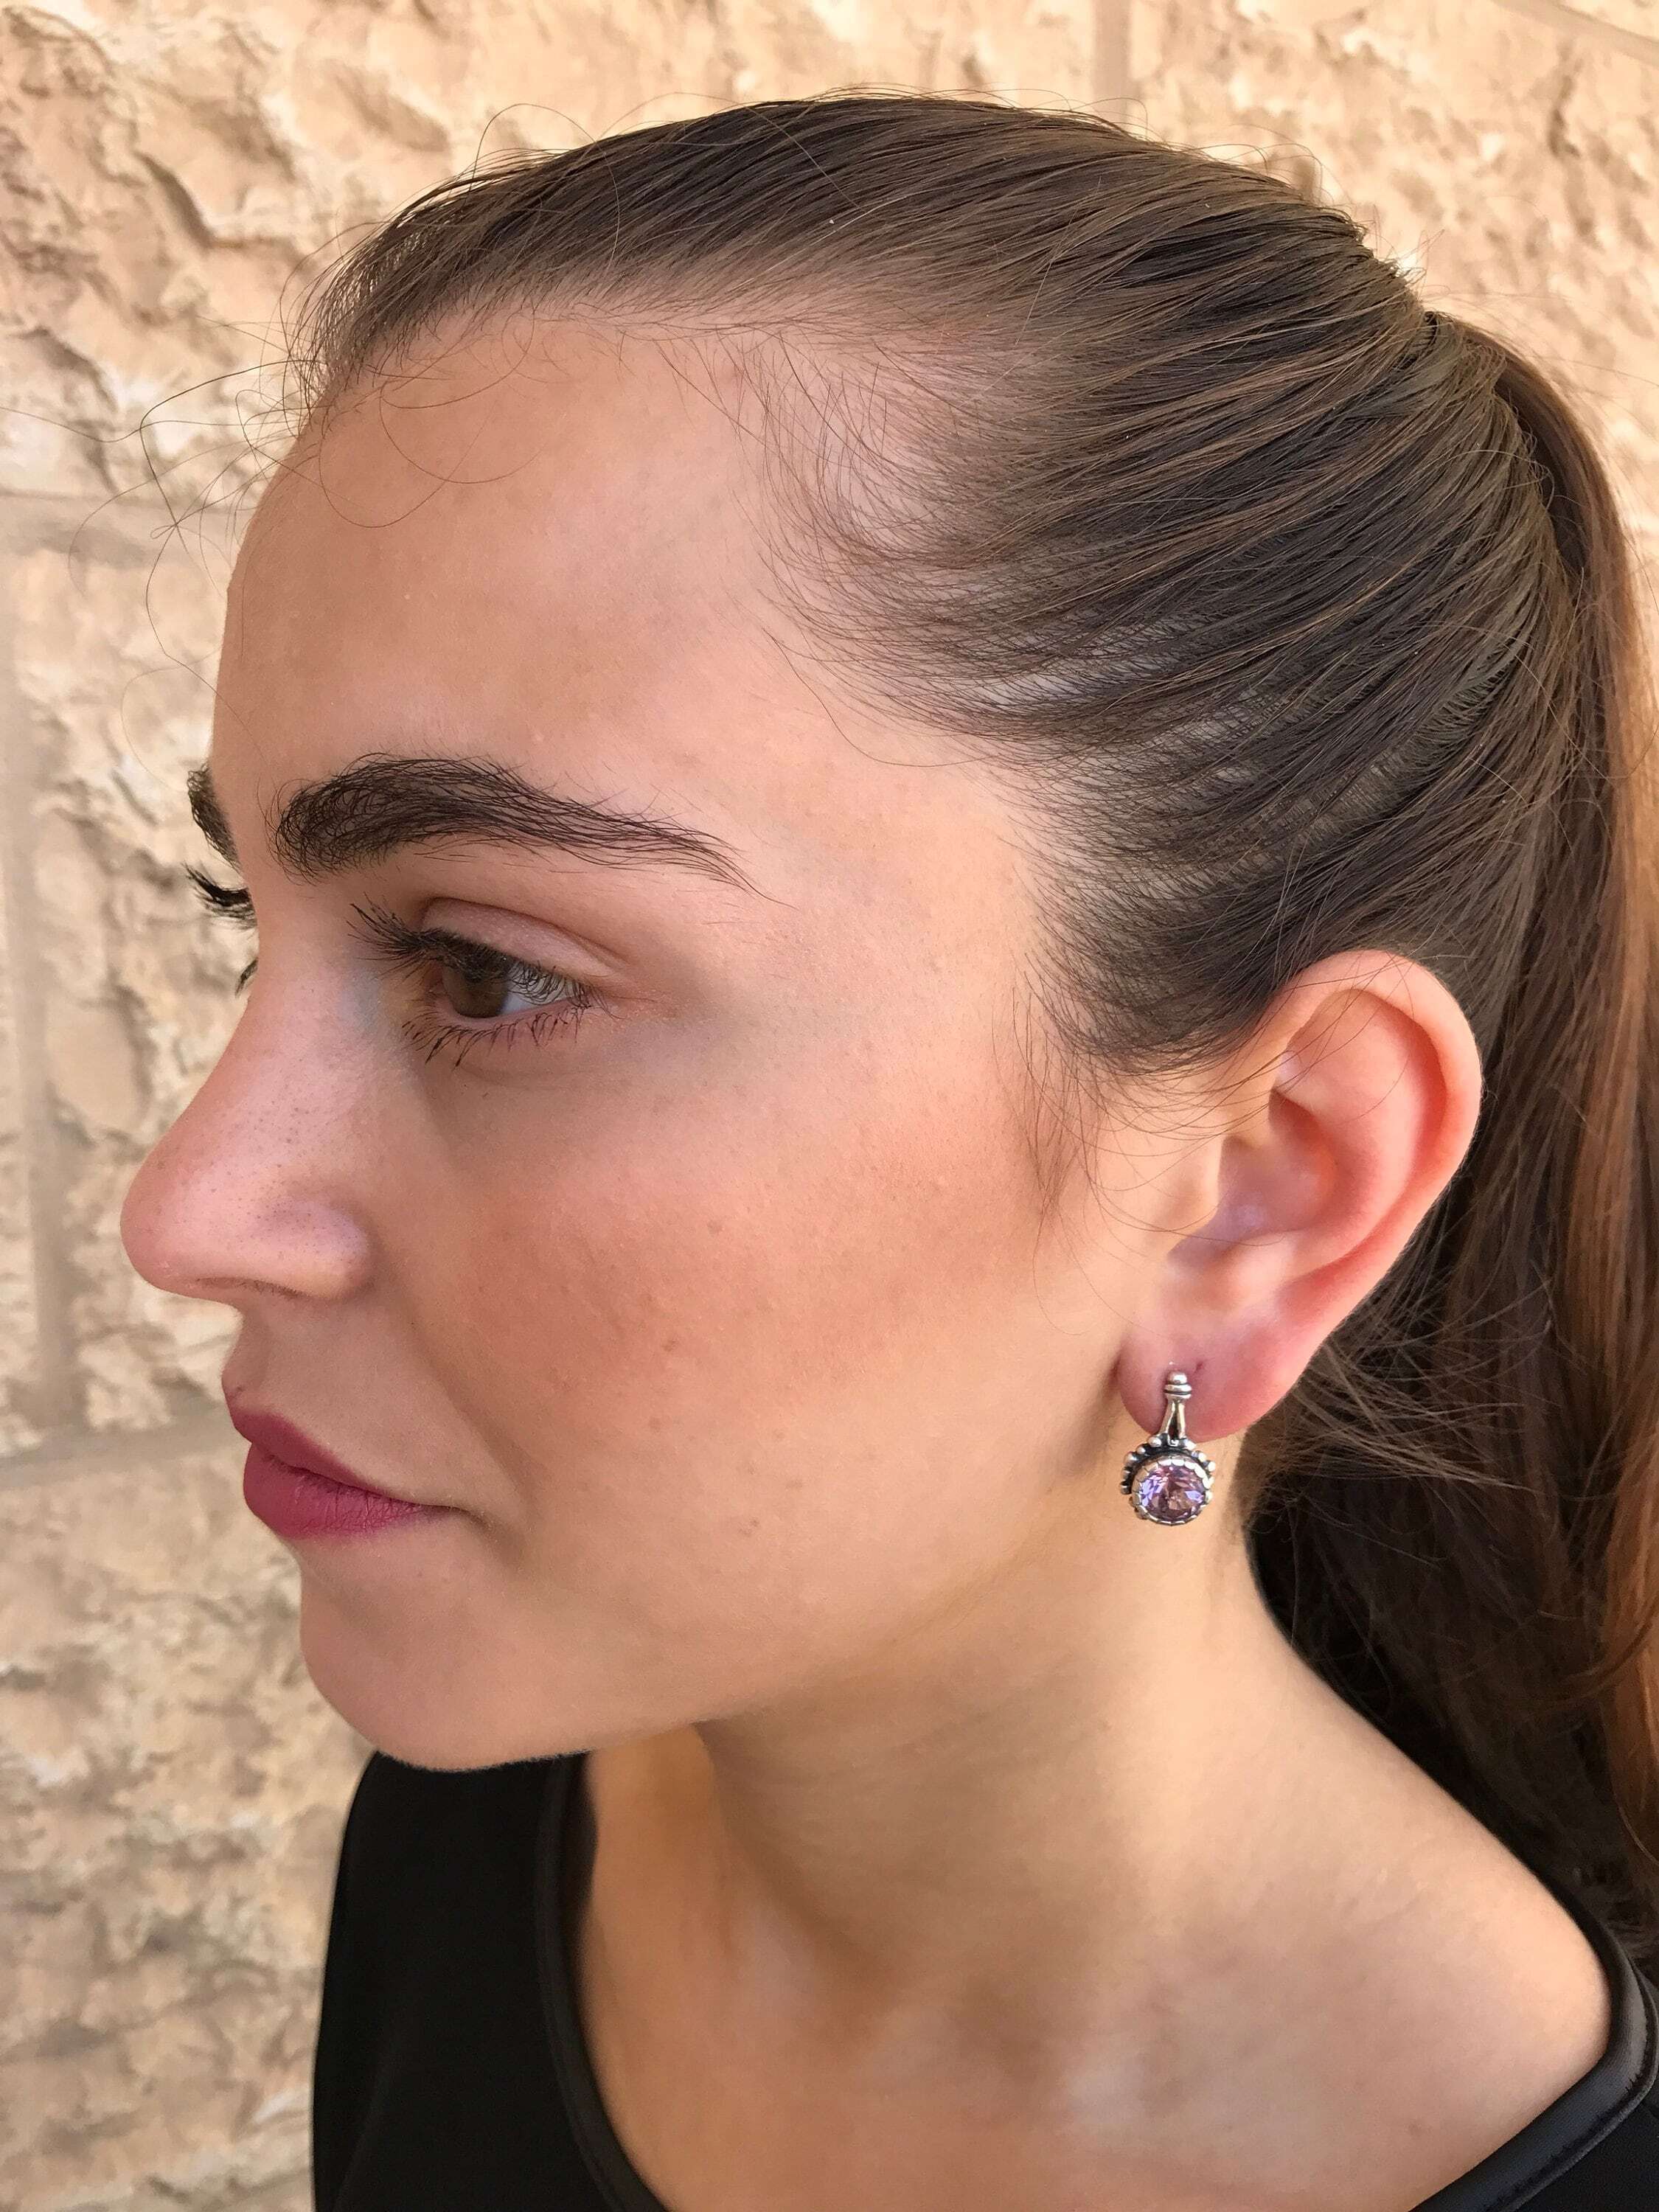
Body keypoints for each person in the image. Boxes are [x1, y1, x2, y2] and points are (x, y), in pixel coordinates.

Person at [117, 91, 1659, 2211]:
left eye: (490, 973)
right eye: (249, 917)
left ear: (1262, 1184)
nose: (188, 1210)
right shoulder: (499, 1798)